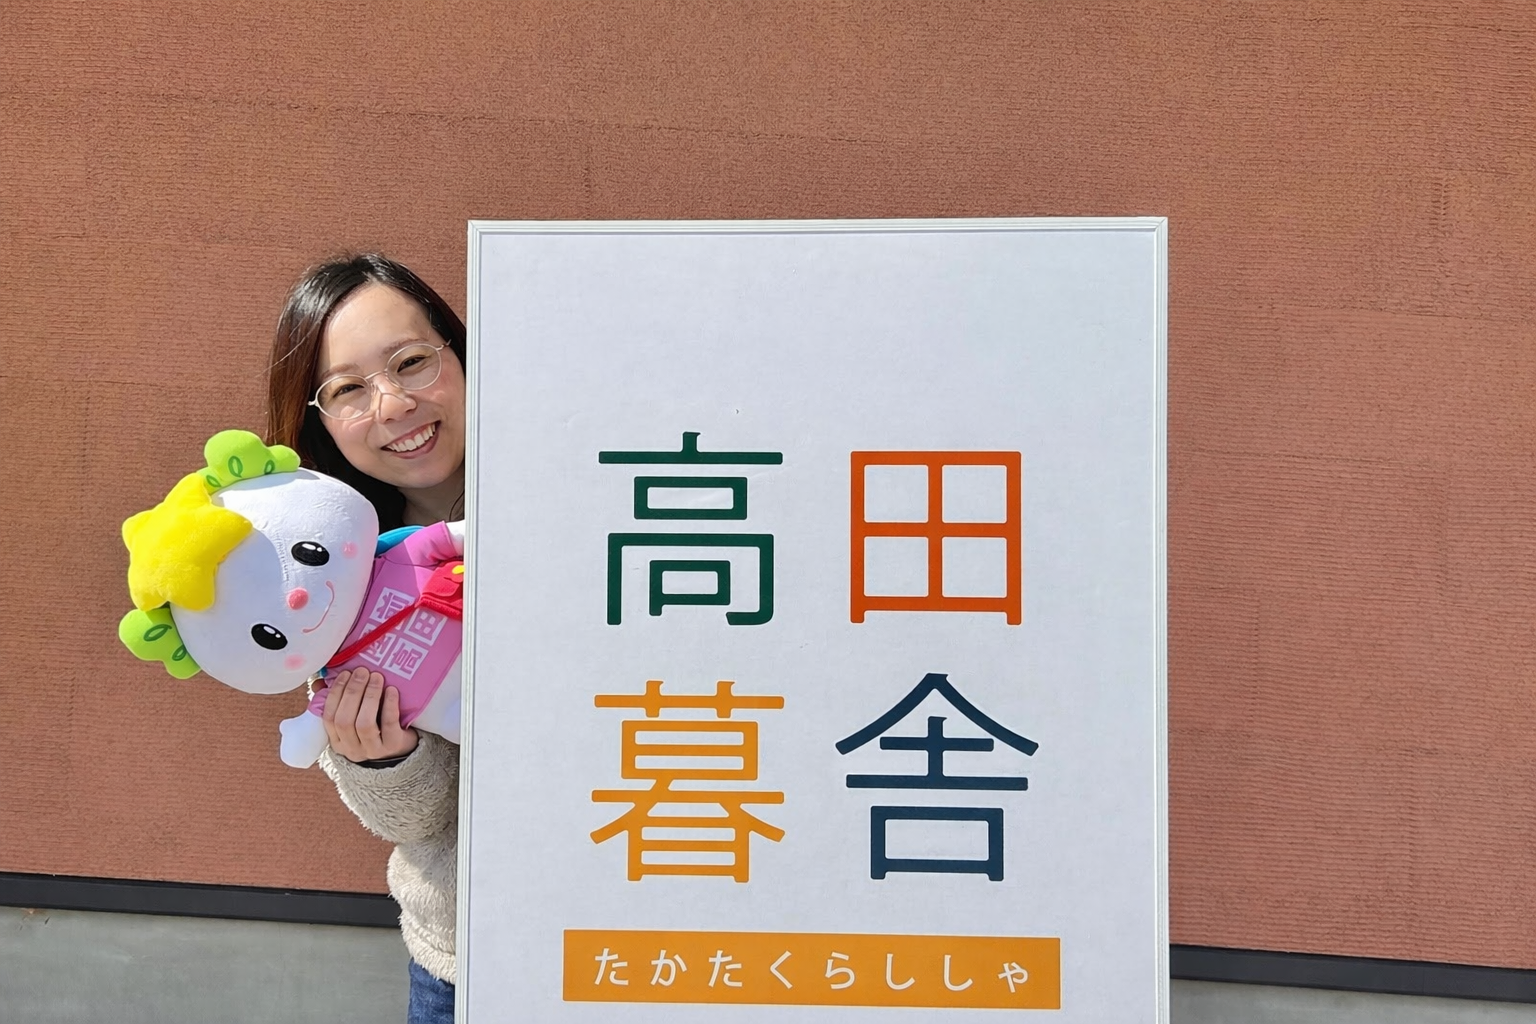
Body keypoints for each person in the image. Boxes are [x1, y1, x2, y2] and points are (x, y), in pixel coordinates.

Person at [265, 253, 465, 1024]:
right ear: (318, 420)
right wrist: (381, 756)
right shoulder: (328, 573)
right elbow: (411, 823)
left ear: (460, 354)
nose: (394, 405)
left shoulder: (583, 491)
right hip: (469, 958)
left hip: (643, 917)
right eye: (348, 389)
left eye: (412, 363)